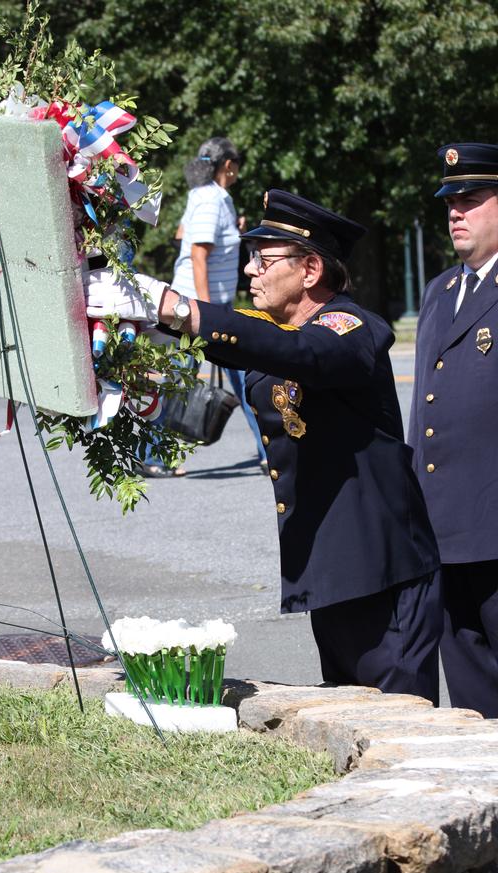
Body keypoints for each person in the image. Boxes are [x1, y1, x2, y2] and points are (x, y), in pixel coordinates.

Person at [85, 189, 442, 702]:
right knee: (348, 714)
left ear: (311, 269)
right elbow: (236, 338)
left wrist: (178, 307)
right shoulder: (279, 331)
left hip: (384, 576)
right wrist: (146, 319)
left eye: (265, 258)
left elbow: (302, 354)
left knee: (401, 725)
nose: (251, 270)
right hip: (334, 570)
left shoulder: (352, 327)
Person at [408, 142, 498, 718]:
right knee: (470, 695)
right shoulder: (440, 292)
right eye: (449, 202)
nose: (455, 213)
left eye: (470, 200)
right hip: (445, 530)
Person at [141, 136, 267, 476]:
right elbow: (197, 253)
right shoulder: (213, 199)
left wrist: (233, 231)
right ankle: (152, 457)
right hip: (197, 309)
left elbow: (182, 234)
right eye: (237, 165)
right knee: (194, 379)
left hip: (197, 305)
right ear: (229, 165)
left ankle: (269, 451)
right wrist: (207, 314)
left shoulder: (203, 196)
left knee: (237, 379)